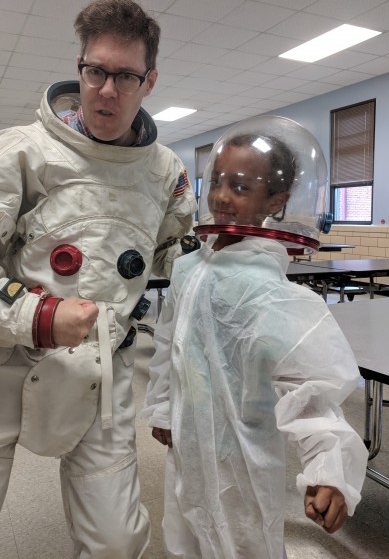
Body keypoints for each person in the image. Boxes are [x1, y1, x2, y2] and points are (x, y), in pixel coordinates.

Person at [0, 0, 196, 558]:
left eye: (125, 75)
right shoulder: (16, 154)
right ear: (80, 68)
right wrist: (40, 314)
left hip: (97, 369)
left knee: (116, 542)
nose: (108, 89)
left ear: (150, 81)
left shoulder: (165, 173)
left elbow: (168, 263)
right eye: (96, 71)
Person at [142, 116, 368, 559]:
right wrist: (164, 408)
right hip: (186, 447)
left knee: (243, 541)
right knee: (186, 529)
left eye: (242, 187)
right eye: (219, 181)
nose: (223, 196)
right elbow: (169, 345)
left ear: (277, 200)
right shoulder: (189, 268)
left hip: (242, 457)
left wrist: (328, 469)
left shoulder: (275, 295)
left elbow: (311, 392)